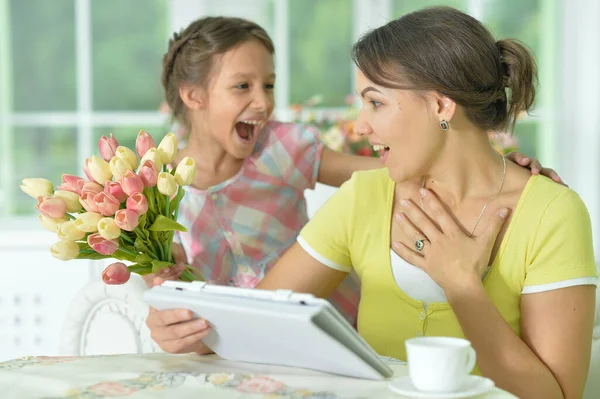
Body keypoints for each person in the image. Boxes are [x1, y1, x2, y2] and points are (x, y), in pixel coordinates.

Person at [144, 8, 597, 399]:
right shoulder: (366, 197)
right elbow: (261, 320)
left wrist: (461, 285)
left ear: (441, 104)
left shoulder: (551, 213)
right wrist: (190, 334)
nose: (360, 127)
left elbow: (555, 394)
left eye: (375, 103)